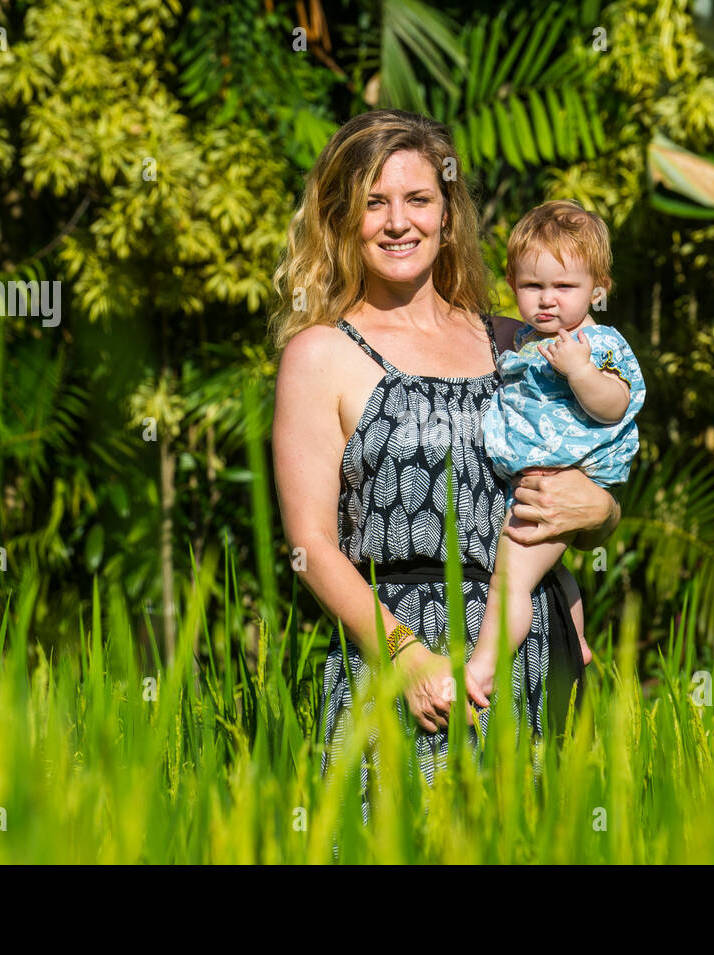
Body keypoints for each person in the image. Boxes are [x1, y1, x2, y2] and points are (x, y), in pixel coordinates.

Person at [269, 109, 621, 819]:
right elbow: (309, 546)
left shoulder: (517, 342)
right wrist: (405, 656)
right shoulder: (319, 356)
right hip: (399, 659)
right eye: (374, 202)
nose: (398, 222)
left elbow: (591, 468)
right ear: (344, 217)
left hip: (535, 646)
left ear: (447, 213)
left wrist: (603, 513)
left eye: (418, 199)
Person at [469, 201, 646, 697]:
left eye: (564, 287)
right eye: (532, 286)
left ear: (598, 287)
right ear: (511, 282)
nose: (548, 300)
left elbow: (615, 405)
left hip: (562, 478)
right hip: (535, 477)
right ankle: (578, 637)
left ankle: (482, 668)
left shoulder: (596, 343)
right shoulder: (526, 339)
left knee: (510, 581)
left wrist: (580, 371)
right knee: (555, 570)